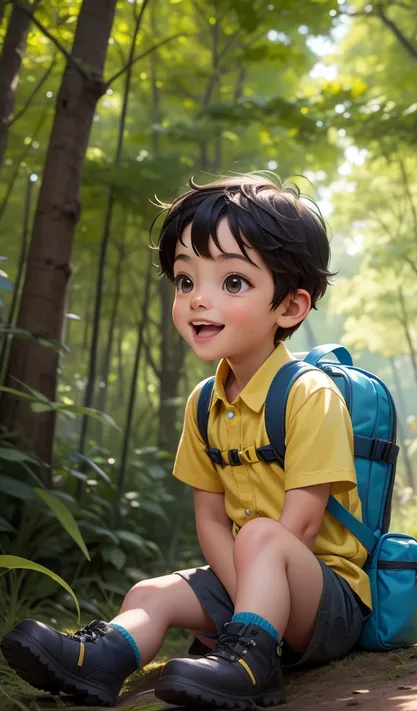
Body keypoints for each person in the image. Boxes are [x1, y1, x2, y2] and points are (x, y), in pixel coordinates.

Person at [1, 174, 371, 709]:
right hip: (252, 583)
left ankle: (252, 666)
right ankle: (99, 664)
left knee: (264, 536)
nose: (198, 300)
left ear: (290, 308)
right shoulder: (204, 402)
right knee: (150, 593)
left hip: (327, 599)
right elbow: (210, 519)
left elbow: (305, 524)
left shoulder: (308, 395)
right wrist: (245, 596)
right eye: (184, 281)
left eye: (233, 283)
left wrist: (251, 599)